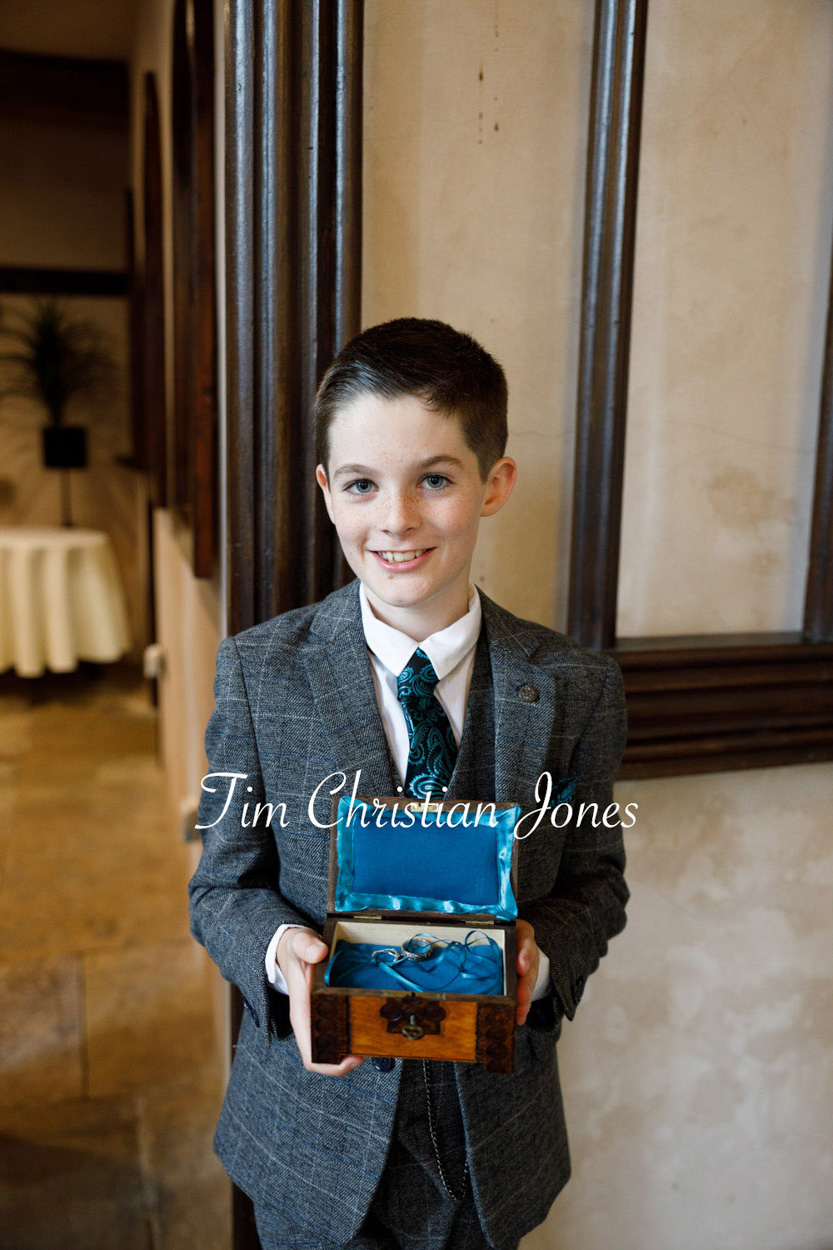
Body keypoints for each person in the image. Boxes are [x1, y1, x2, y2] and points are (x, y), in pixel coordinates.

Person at [188, 318, 629, 1250]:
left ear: (493, 483)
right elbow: (221, 887)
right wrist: (282, 959)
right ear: (326, 493)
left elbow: (597, 881)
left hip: (488, 1149)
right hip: (312, 1140)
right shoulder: (258, 674)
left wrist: (535, 958)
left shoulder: (577, 686)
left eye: (434, 478)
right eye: (361, 484)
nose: (395, 519)